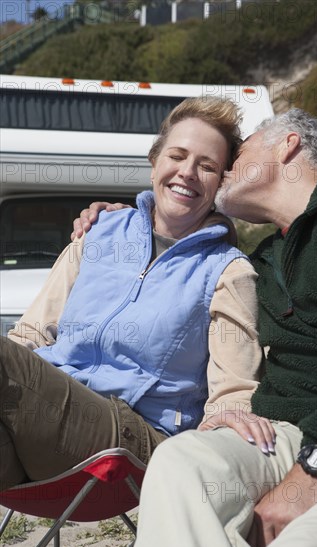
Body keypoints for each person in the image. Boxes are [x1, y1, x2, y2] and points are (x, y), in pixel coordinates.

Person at [74, 108, 317, 547]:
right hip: (286, 438)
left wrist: (316, 471)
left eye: (239, 152)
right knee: (182, 462)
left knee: (305, 540)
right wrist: (129, 224)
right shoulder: (264, 259)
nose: (225, 169)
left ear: (287, 144)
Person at [2, 96, 270, 494]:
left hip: (133, 442)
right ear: (154, 162)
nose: (188, 173)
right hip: (42, 427)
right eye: (177, 156)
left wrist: (228, 428)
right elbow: (31, 335)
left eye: (207, 166)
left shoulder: (227, 271)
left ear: (220, 183)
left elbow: (233, 390)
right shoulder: (97, 232)